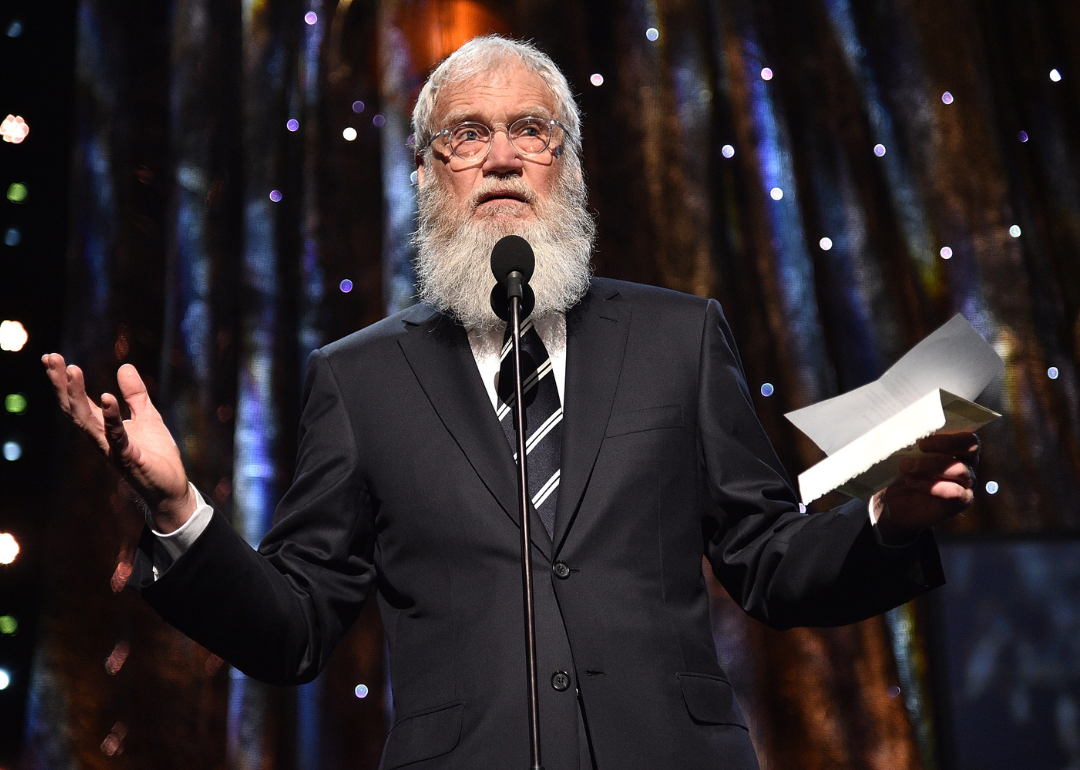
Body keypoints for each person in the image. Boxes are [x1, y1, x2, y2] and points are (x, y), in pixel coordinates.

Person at [43, 36, 979, 770]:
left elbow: (768, 560)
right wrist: (177, 512)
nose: (500, 158)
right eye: (466, 135)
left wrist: (884, 522)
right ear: (424, 176)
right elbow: (294, 629)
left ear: (565, 168)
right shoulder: (358, 379)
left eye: (531, 131)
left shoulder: (681, 337)